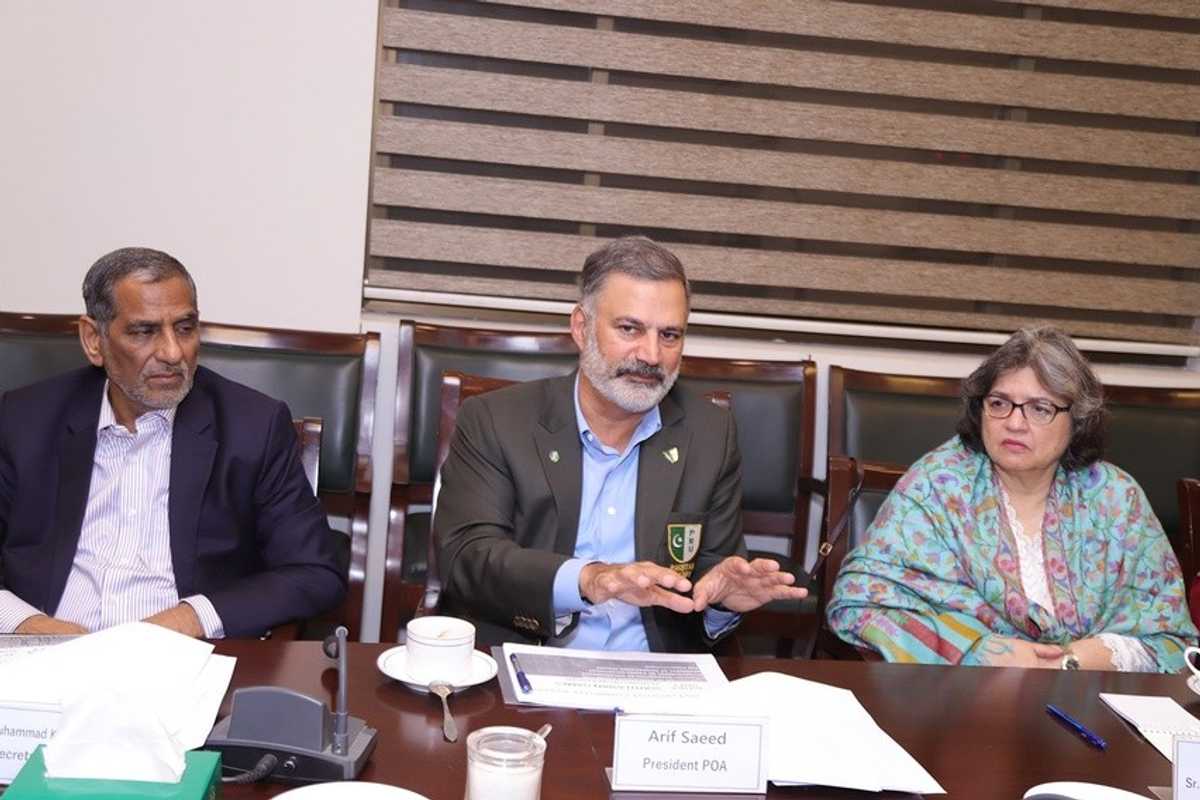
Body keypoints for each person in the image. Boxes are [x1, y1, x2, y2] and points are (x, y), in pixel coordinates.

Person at [433, 236, 806, 652]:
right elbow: (468, 558)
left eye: (670, 335)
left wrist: (722, 604)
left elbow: (714, 574)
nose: (651, 355)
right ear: (581, 327)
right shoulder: (496, 420)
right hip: (525, 662)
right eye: (630, 328)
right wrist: (588, 579)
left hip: (655, 676)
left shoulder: (710, 434)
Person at [0, 247, 346, 638]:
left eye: (184, 328)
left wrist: (190, 618)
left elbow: (315, 572)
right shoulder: (26, 418)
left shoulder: (253, 427)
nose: (172, 352)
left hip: (180, 660)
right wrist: (29, 624)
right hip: (44, 655)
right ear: (94, 339)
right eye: (144, 331)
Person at [827, 326, 1196, 671]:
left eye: (1040, 408)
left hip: (1093, 701)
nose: (1015, 423)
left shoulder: (1117, 498)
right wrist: (980, 650)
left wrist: (1076, 658)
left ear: (1078, 421)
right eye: (1000, 403)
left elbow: (1173, 642)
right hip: (964, 698)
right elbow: (859, 600)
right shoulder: (938, 485)